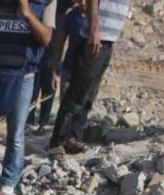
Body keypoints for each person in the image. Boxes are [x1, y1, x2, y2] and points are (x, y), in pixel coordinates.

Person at [0, 0, 55, 195]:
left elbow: (46, 37)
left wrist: (27, 12)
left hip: (23, 75)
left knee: (16, 135)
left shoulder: (45, 3)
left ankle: (9, 181)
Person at [49, 0, 129, 158]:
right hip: (96, 38)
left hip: (108, 40)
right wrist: (94, 29)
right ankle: (58, 141)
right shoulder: (74, 17)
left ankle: (73, 137)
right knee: (77, 93)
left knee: (88, 94)